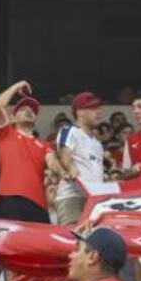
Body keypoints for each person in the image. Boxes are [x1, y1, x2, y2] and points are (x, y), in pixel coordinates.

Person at [0, 80, 58, 223]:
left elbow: (53, 163)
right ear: (12, 119)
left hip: (38, 202)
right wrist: (17, 86)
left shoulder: (44, 145)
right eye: (22, 109)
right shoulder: (6, 134)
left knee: (41, 237)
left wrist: (61, 170)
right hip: (10, 198)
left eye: (32, 110)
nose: (29, 110)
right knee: (10, 237)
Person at [54, 91, 106, 225]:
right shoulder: (69, 130)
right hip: (72, 198)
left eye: (99, 108)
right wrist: (71, 167)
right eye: (93, 108)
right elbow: (64, 152)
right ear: (80, 112)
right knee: (71, 237)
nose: (99, 112)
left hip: (94, 200)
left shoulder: (98, 144)